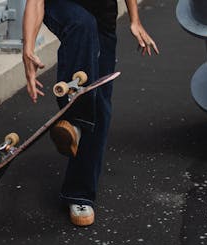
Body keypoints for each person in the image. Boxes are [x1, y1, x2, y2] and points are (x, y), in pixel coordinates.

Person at [22, 0, 159, 226]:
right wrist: (28, 48)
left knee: (101, 105)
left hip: (103, 16)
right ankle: (73, 118)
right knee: (81, 24)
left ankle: (80, 194)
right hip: (63, 6)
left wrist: (135, 20)